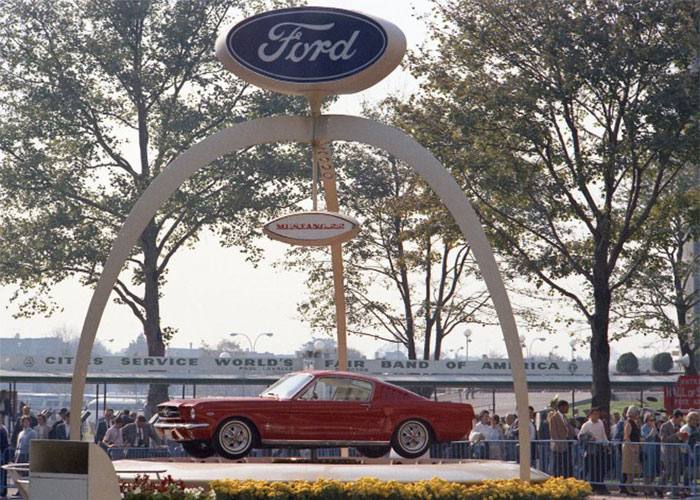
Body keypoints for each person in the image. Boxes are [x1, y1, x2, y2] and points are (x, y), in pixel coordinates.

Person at [578, 407, 609, 493]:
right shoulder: (586, 425)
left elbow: (603, 435)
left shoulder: (601, 423)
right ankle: (593, 486)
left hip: (600, 447)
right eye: (594, 414)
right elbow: (580, 436)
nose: (596, 416)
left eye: (598, 414)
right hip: (591, 449)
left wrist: (606, 444)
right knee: (592, 468)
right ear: (591, 415)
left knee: (601, 468)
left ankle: (600, 485)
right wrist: (589, 439)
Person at [659, 409, 685, 498]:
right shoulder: (665, 426)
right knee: (667, 472)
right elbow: (664, 439)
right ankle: (660, 488)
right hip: (668, 454)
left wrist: (683, 438)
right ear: (674, 417)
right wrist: (676, 435)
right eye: (679, 419)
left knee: (676, 473)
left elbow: (679, 440)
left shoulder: (679, 426)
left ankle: (675, 490)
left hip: (677, 454)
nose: (680, 422)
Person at [621, 405, 642, 495]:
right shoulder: (628, 423)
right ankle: (628, 487)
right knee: (630, 470)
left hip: (635, 447)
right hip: (630, 448)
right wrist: (632, 448)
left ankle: (629, 486)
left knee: (634, 469)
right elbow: (626, 437)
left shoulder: (635, 422)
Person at [550, 400, 574, 477]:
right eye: (567, 407)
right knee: (558, 465)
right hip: (558, 446)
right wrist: (559, 444)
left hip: (566, 444)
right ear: (561, 407)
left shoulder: (565, 417)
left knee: (567, 465)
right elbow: (553, 432)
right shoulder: (554, 418)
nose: (568, 409)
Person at [679, 411, 698, 496]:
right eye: (694, 420)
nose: (696, 421)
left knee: (693, 472)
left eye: (697, 420)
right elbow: (683, 441)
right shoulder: (685, 428)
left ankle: (689, 488)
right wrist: (689, 452)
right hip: (687, 453)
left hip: (695, 453)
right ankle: (685, 489)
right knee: (687, 472)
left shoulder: (695, 428)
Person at [640, 413, 661, 495]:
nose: (652, 422)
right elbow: (648, 438)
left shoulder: (654, 428)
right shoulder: (644, 428)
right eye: (651, 420)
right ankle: (646, 488)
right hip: (647, 450)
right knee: (647, 470)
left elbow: (659, 436)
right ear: (646, 420)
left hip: (654, 450)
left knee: (653, 470)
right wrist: (653, 429)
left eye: (653, 420)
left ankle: (649, 486)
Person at [0, 415, 9, 498]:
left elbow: (4, 443)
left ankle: (2, 490)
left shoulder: (2, 430)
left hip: (2, 454)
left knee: (2, 473)